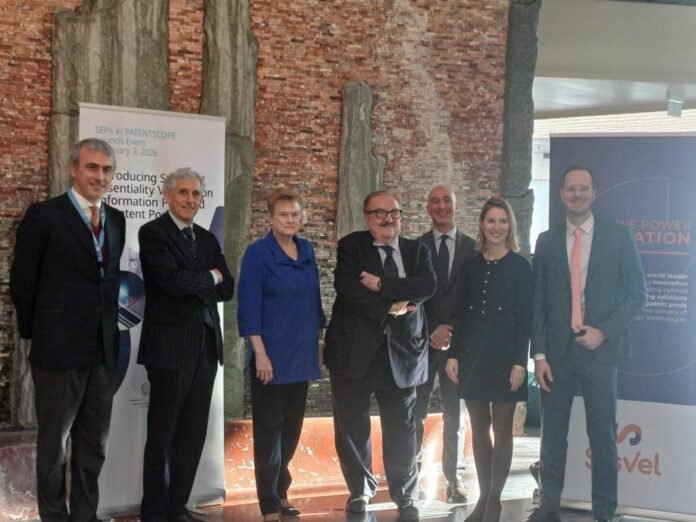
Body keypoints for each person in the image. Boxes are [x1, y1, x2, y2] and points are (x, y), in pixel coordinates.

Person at [10, 138, 126, 521]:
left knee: (93, 446)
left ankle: (85, 516)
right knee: (54, 446)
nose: (100, 176)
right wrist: (38, 333)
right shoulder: (44, 216)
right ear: (74, 168)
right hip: (58, 349)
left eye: (107, 169)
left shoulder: (116, 219)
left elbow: (108, 281)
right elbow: (23, 281)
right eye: (92, 167)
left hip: (102, 350)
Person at [526, 166, 646, 522]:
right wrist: (539, 355)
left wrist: (604, 331)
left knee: (603, 437)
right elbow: (538, 302)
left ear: (594, 193)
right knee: (552, 438)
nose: (577, 194)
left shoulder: (619, 237)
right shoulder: (547, 241)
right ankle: (548, 508)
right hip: (556, 356)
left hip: (600, 353)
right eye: (570, 189)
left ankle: (604, 513)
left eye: (583, 188)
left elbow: (637, 295)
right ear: (561, 194)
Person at [324, 190, 437, 522]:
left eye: (394, 213)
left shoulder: (417, 251)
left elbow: (427, 286)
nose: (388, 219)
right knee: (352, 426)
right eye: (380, 213)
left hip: (403, 355)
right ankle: (360, 490)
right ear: (367, 216)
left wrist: (382, 285)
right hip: (353, 353)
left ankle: (405, 495)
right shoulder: (352, 246)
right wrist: (392, 304)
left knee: (403, 429)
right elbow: (348, 289)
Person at [138, 168, 234, 522]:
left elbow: (228, 287)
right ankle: (154, 512)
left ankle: (177, 507)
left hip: (206, 348)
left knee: (192, 434)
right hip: (169, 349)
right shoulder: (153, 233)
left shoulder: (206, 238)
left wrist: (201, 281)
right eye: (183, 192)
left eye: (196, 194)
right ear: (167, 196)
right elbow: (171, 282)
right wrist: (209, 277)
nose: (190, 200)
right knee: (162, 435)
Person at [237, 188, 326, 522]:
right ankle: (269, 504)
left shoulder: (307, 250)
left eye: (295, 214)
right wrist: (259, 354)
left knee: (291, 429)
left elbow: (315, 303)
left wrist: (318, 346)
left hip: (301, 355)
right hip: (270, 358)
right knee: (269, 432)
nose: (290, 220)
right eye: (284, 215)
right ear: (271, 218)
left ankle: (282, 490)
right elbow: (249, 309)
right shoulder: (257, 254)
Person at [445, 198, 532, 522]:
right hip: (472, 355)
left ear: (510, 226)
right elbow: (460, 313)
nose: (497, 227)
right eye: (491, 220)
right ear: (482, 225)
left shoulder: (521, 267)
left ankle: (494, 502)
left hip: (506, 357)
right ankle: (484, 498)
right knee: (479, 429)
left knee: (502, 429)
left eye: (503, 221)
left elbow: (525, 319)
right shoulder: (470, 266)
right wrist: (453, 354)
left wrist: (520, 362)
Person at [415, 185, 476, 502]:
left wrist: (452, 330)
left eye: (447, 201)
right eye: (435, 201)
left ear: (456, 205)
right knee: (415, 414)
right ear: (427, 207)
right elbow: (411, 296)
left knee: (456, 415)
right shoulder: (415, 248)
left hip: (458, 345)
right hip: (420, 344)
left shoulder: (474, 248)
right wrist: (432, 329)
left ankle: (455, 479)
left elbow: (475, 299)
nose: (441, 206)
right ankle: (410, 478)